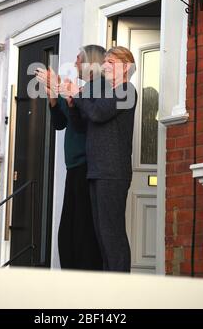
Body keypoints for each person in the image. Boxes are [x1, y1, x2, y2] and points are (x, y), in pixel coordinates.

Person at [61, 46, 137, 272]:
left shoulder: (127, 90)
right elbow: (81, 124)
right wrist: (73, 105)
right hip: (96, 171)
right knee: (101, 237)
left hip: (113, 172)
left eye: (112, 62)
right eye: (105, 62)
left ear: (126, 68)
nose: (105, 66)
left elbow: (98, 114)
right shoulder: (104, 94)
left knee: (112, 235)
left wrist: (78, 94)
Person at [35, 45, 105, 270]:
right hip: (74, 167)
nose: (75, 63)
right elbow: (59, 124)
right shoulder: (83, 91)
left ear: (90, 62)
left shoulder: (96, 90)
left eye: (78, 58)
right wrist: (53, 97)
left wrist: (59, 87)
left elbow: (83, 123)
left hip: (87, 166)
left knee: (80, 231)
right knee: (69, 232)